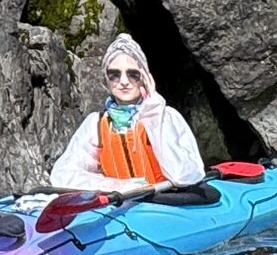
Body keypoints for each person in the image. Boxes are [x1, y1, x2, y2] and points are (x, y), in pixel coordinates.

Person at [49, 35, 207, 195]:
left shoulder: (166, 116)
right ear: (106, 79)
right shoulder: (95, 124)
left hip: (167, 205)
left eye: (133, 74)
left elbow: (186, 175)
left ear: (145, 77)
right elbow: (62, 175)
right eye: (114, 74)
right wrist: (119, 186)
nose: (124, 81)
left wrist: (153, 113)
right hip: (123, 209)